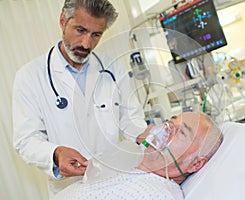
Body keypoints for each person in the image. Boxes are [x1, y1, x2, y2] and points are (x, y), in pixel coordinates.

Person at [12, 0, 147, 197]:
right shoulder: (30, 76)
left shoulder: (113, 68)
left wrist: (146, 138)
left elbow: (131, 120)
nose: (86, 44)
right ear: (62, 21)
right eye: (80, 30)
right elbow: (26, 139)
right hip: (71, 190)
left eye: (96, 35)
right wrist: (56, 154)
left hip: (115, 181)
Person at [53, 111, 223, 200]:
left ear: (195, 164)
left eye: (181, 133)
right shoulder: (131, 163)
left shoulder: (157, 195)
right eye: (171, 122)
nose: (165, 129)